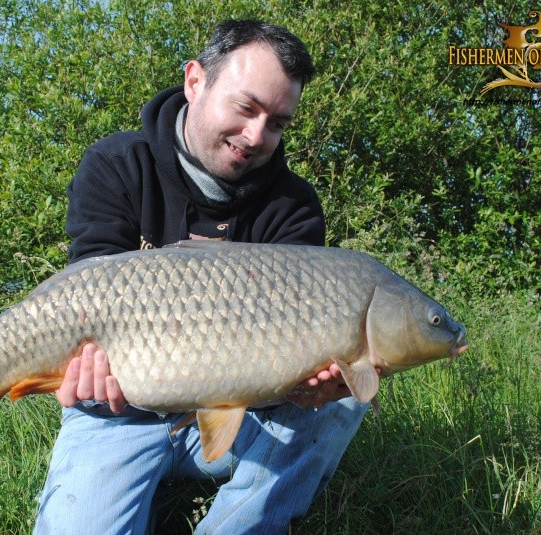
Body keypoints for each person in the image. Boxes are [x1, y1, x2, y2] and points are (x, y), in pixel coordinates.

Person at [34, 20, 371, 534]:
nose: (257, 136)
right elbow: (87, 291)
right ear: (195, 81)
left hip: (243, 419)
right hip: (117, 413)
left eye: (278, 123)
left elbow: (290, 361)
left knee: (344, 397)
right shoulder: (117, 165)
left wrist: (308, 386)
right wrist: (84, 369)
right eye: (245, 107)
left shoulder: (293, 208)